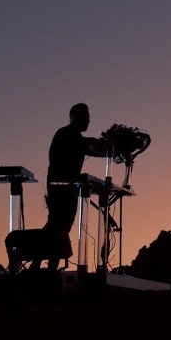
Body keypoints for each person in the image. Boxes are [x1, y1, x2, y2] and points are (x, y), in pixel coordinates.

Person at [43, 103, 110, 269]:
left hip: (68, 189)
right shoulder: (66, 134)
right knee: (57, 228)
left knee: (60, 228)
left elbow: (91, 148)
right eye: (86, 117)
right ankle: (41, 265)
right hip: (60, 190)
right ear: (74, 117)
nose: (89, 121)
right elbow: (86, 145)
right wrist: (103, 145)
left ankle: (47, 265)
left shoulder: (74, 137)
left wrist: (108, 149)